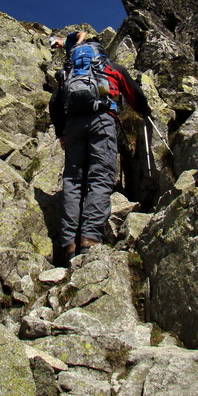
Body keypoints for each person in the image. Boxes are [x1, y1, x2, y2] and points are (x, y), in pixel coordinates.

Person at [49, 32, 151, 265]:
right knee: (100, 177)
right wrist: (145, 111)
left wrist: (61, 133)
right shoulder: (109, 67)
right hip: (103, 121)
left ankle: (69, 245)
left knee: (73, 180)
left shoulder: (69, 72)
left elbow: (55, 103)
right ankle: (90, 239)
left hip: (74, 125)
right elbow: (134, 93)